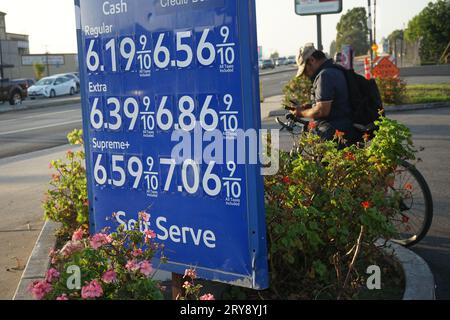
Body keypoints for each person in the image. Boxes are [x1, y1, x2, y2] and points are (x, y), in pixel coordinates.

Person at [290, 44, 360, 146]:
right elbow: (336, 103)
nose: (306, 74)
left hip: (335, 136)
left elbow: (322, 111)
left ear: (312, 60)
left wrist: (301, 112)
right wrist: (310, 107)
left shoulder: (325, 75)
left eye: (305, 70)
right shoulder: (335, 69)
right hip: (346, 130)